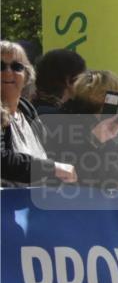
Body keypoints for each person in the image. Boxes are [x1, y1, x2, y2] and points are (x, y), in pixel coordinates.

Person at [0, 40, 76, 186]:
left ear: (27, 76)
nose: (8, 71)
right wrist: (52, 168)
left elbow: (52, 155)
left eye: (16, 66)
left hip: (33, 203)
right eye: (0, 66)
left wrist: (97, 139)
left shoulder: (27, 109)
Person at [32, 48, 87, 116]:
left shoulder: (30, 110)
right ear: (69, 80)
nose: (87, 84)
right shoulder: (61, 116)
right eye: (83, 78)